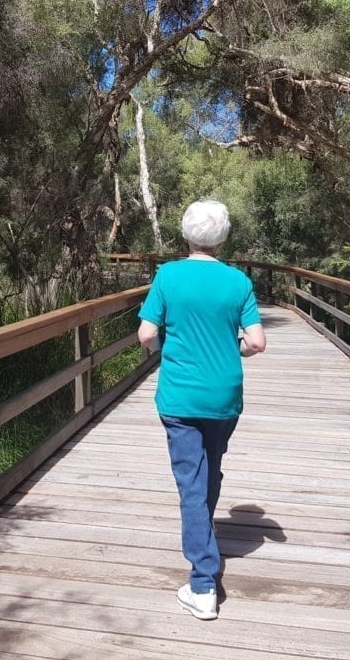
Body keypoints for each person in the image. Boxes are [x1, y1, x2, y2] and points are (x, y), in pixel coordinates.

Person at [136, 199, 267, 620]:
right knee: (208, 470)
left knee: (191, 481)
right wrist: (237, 349)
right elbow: (257, 342)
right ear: (223, 237)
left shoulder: (168, 275)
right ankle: (204, 537)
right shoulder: (238, 281)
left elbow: (146, 333)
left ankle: (203, 583)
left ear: (186, 233)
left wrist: (162, 350)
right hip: (224, 397)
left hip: (180, 397)